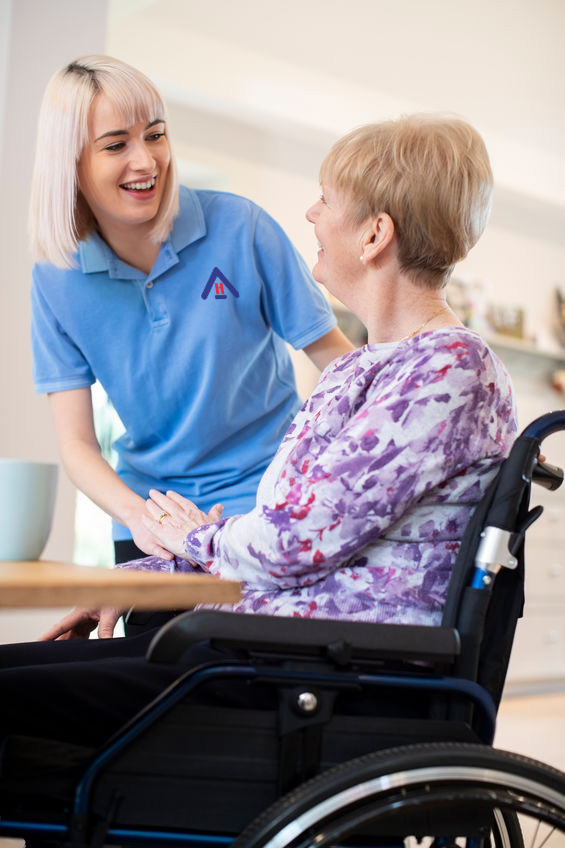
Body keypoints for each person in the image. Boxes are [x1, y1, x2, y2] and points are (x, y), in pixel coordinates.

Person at [0, 114, 516, 748]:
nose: (310, 214)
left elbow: (296, 538)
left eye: (326, 199)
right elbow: (295, 528)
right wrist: (138, 581)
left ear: (376, 234)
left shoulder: (447, 369)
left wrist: (192, 535)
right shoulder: (364, 367)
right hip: (266, 648)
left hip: (312, 674)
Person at [29, 54, 352, 576]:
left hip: (264, 500)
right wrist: (141, 517)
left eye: (154, 135)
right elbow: (78, 446)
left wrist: (317, 469)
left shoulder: (240, 227)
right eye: (116, 145)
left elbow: (339, 361)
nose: (146, 161)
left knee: (246, 657)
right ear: (70, 163)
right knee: (150, 657)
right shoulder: (55, 278)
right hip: (150, 515)